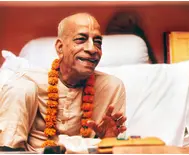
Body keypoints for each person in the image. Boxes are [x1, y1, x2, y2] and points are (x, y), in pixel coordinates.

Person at [0, 13, 126, 153]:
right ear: (60, 47)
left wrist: (108, 140)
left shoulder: (111, 87)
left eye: (98, 42)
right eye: (81, 39)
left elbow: (110, 149)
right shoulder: (25, 84)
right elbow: (6, 149)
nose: (92, 49)